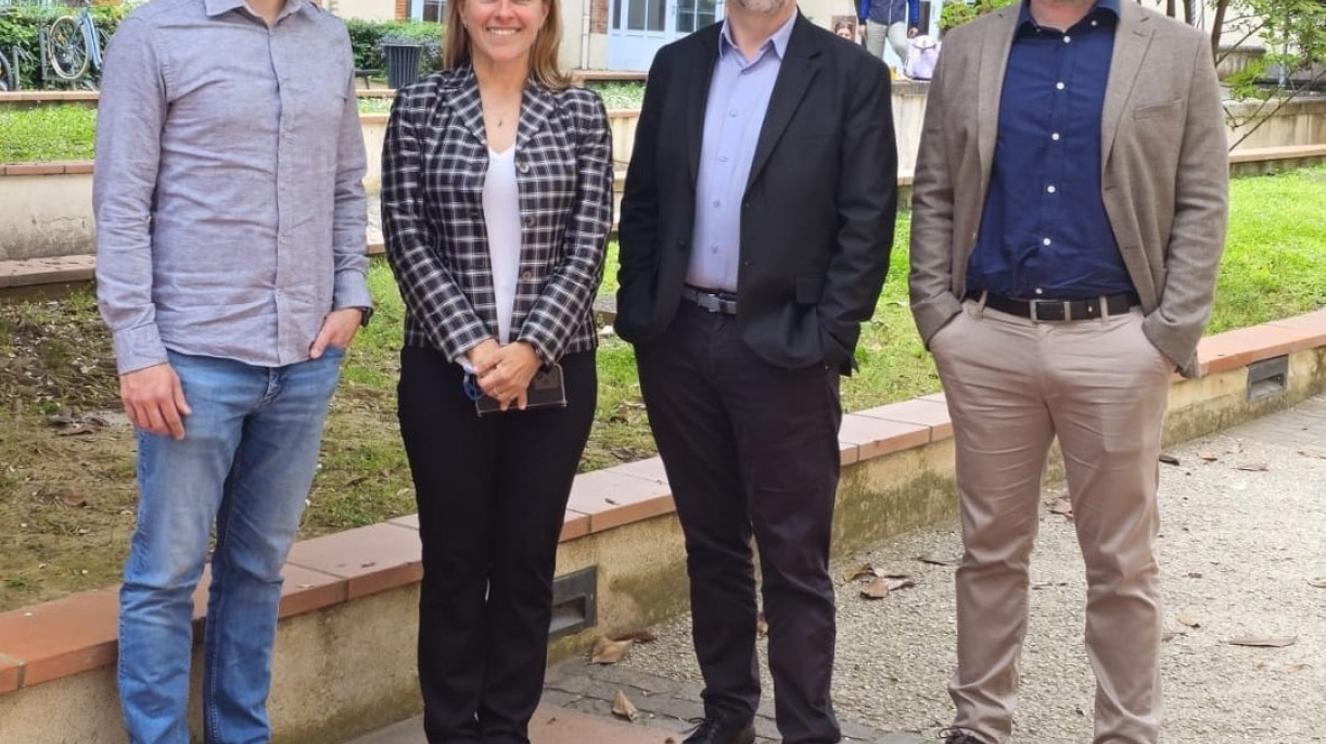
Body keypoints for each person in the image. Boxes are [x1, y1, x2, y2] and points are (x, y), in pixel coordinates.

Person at [907, 0, 1228, 740]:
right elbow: (935, 190)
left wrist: (1167, 334)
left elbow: (1203, 199)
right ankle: (979, 723)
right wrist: (939, 317)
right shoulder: (969, 48)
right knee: (988, 550)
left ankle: (1127, 730)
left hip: (1117, 342)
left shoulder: (1175, 50)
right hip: (988, 340)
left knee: (1121, 561)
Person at [615, 1, 897, 741]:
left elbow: (868, 220)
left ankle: (807, 728)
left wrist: (829, 335)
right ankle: (727, 716)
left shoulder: (852, 75)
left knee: (794, 554)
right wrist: (641, 305)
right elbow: (643, 201)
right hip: (678, 340)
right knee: (711, 545)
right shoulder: (676, 66)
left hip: (787, 349)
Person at [93, 0, 371, 738]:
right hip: (192, 360)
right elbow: (121, 203)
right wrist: (138, 349)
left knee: (259, 569)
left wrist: (351, 295)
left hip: (304, 358)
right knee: (166, 573)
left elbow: (346, 182)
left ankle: (240, 732)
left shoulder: (328, 37)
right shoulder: (153, 34)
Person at [379, 0, 613, 738]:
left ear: (544, 12)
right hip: (444, 375)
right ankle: (451, 729)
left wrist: (531, 348)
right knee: (454, 562)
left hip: (556, 374)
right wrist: (476, 347)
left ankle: (506, 727)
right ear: (461, 9)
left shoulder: (580, 112)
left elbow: (589, 242)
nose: (503, 11)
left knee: (525, 562)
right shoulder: (420, 106)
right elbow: (405, 233)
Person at [857, 0, 919, 70]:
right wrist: (862, 21)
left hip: (897, 21)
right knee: (874, 60)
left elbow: (914, 2)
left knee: (901, 45)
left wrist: (914, 23)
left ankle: (910, 70)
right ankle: (876, 76)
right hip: (875, 21)